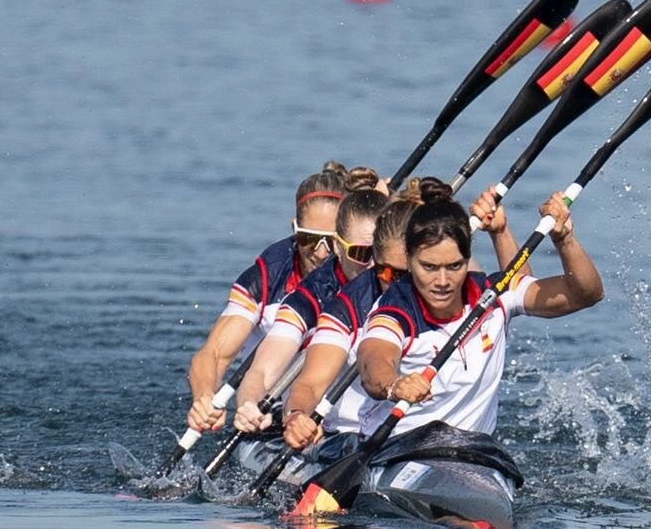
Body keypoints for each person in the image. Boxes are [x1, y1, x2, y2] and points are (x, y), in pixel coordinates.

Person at [279, 178, 530, 454]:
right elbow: (311, 384)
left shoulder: (442, 287)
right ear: (375, 260)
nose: (403, 284)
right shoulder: (349, 307)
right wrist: (296, 416)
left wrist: (500, 232)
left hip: (440, 448)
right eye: (390, 274)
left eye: (411, 273)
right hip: (350, 441)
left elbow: (519, 288)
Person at [348, 190, 602, 440]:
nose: (443, 281)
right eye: (429, 267)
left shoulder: (494, 294)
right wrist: (395, 385)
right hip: (397, 449)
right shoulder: (394, 309)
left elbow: (586, 294)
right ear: (410, 259)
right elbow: (374, 364)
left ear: (468, 258)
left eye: (455, 266)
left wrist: (564, 239)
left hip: (470, 454)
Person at [183, 163, 345, 435]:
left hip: (330, 413)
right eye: (309, 239)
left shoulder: (360, 271)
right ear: (295, 229)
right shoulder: (267, 276)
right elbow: (213, 354)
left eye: (332, 241)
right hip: (266, 410)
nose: (320, 253)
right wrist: (204, 398)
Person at [230, 167, 389, 432]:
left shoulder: (407, 282)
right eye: (361, 253)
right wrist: (250, 404)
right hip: (332, 433)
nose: (373, 265)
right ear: (338, 246)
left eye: (379, 253)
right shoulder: (309, 297)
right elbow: (261, 372)